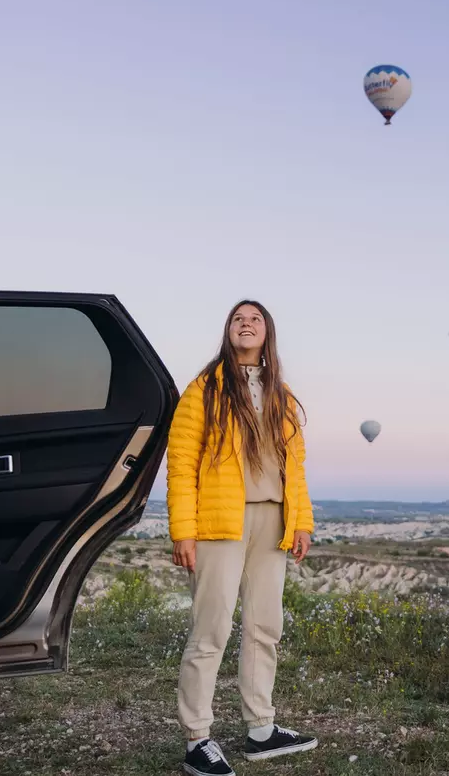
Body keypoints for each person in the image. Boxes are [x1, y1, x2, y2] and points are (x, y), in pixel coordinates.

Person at [167, 300, 318, 776]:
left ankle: (261, 730)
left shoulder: (281, 393)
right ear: (227, 331)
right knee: (211, 629)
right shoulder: (203, 390)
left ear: (267, 332)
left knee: (263, 627)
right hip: (219, 523)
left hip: (273, 521)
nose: (246, 324)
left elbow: (296, 467)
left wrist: (302, 521)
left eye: (255, 319)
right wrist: (182, 531)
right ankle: (198, 739)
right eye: (238, 318)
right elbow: (181, 463)